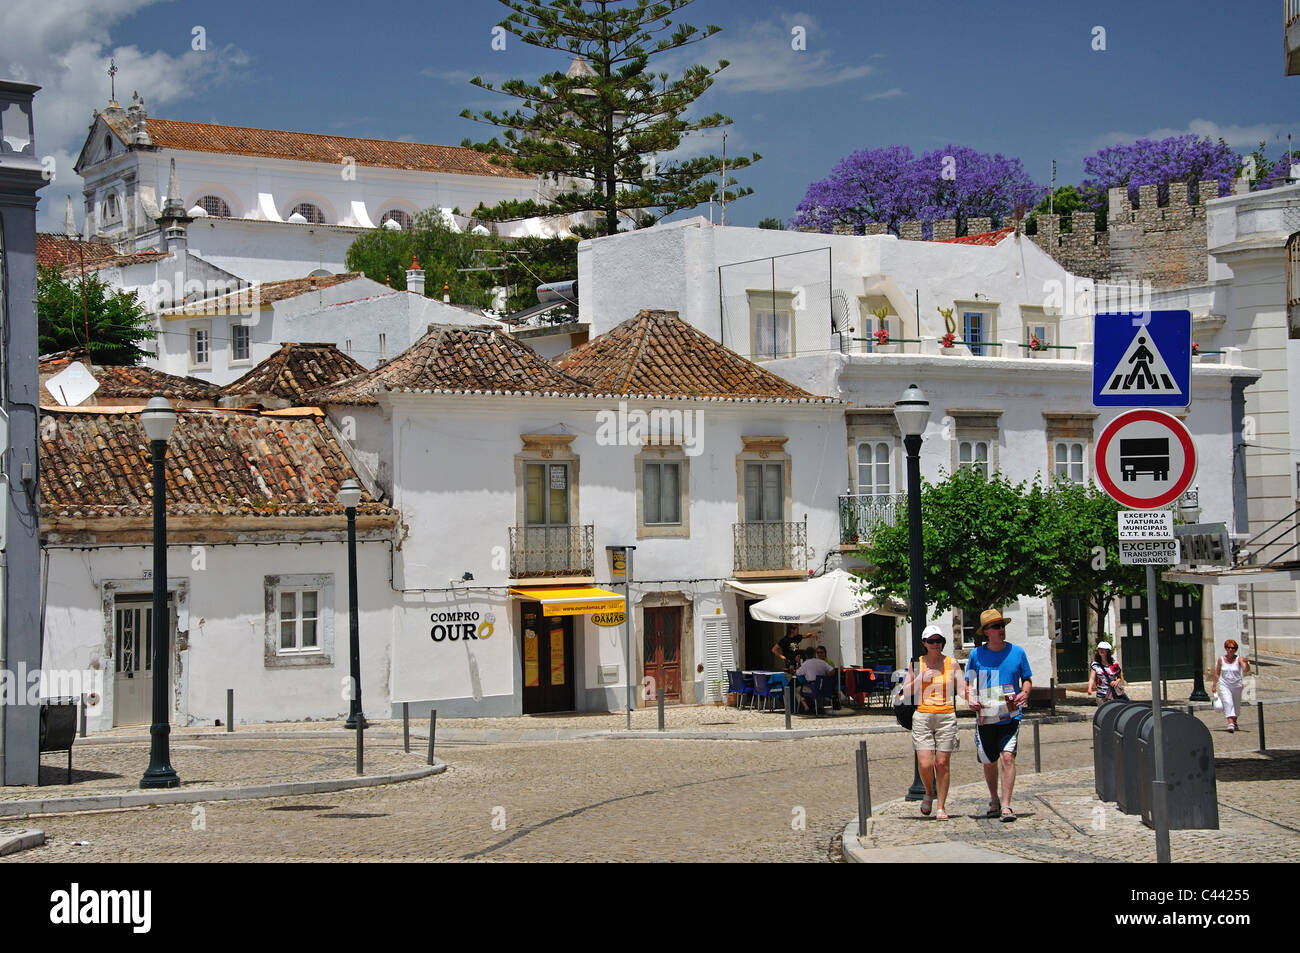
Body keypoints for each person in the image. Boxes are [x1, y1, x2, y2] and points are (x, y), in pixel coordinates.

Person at [964, 609, 1033, 822]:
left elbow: (1027, 679)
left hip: (1010, 715)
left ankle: (1006, 805)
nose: (1000, 629)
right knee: (989, 761)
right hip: (986, 717)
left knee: (1007, 756)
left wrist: (1025, 693)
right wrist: (970, 698)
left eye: (1002, 625)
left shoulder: (1018, 652)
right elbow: (967, 683)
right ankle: (994, 799)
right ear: (986, 632)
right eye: (995, 626)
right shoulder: (976, 655)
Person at [902, 624, 959, 820]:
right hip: (923, 716)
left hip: (946, 716)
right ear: (924, 643)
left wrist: (977, 700)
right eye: (931, 641)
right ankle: (928, 791)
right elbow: (906, 692)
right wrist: (920, 678)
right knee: (926, 764)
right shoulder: (917, 664)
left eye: (939, 641)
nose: (936, 644)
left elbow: (962, 688)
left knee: (942, 763)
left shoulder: (952, 663)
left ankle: (941, 806)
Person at [1212, 639, 1251, 732]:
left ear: (1235, 649)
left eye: (1232, 648)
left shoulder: (1239, 659)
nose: (1230, 649)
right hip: (1224, 684)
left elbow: (1245, 670)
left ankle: (1234, 722)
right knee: (1228, 702)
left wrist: (1246, 663)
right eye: (1228, 647)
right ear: (1226, 648)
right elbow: (1217, 673)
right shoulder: (1221, 659)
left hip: (1237, 685)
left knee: (1236, 705)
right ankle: (1230, 723)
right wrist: (1214, 685)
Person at [795, 646, 834, 712]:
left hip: (813, 689)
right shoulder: (822, 662)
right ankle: (818, 707)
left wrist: (798, 663)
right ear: (814, 654)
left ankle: (805, 705)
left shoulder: (805, 664)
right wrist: (827, 677)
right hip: (824, 688)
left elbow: (797, 673)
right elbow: (832, 670)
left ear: (806, 655)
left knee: (796, 690)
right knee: (815, 687)